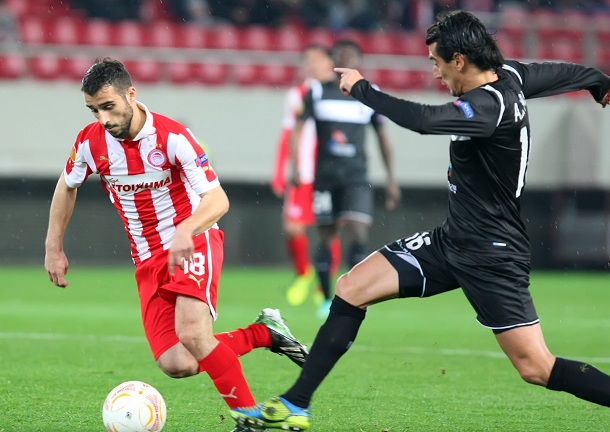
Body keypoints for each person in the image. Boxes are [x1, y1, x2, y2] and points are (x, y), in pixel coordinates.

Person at [230, 10, 610, 431]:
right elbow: (557, 73)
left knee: (536, 367)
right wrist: (596, 80)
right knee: (352, 287)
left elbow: (425, 122)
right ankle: (295, 405)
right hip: (452, 242)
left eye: (436, 62)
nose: (434, 72)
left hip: (492, 255)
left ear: (459, 60)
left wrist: (362, 89)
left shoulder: (489, 106)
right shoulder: (510, 76)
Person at [43, 57, 308, 432]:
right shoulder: (90, 142)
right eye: (93, 110)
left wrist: (186, 229)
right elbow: (66, 185)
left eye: (108, 106)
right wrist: (53, 246)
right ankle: (265, 333)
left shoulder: (174, 137)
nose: (103, 118)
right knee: (177, 362)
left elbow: (217, 200)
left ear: (131, 94)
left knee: (194, 334)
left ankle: (249, 418)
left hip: (194, 241)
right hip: (147, 258)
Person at [288, 39, 401, 318]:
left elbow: (383, 137)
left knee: (358, 232)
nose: (346, 60)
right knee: (326, 236)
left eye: (351, 56)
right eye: (340, 55)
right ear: (333, 61)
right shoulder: (316, 92)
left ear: (360, 61)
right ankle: (327, 299)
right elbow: (297, 130)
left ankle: (354, 296)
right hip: (325, 178)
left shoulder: (370, 94)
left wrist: (391, 178)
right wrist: (295, 166)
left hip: (356, 177)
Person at [271, 44, 342, 308]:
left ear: (329, 62)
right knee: (292, 226)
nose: (312, 64)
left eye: (317, 59)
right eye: (308, 60)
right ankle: (303, 273)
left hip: (329, 172)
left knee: (329, 228)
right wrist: (281, 171)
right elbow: (288, 133)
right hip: (303, 173)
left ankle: (325, 282)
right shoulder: (297, 94)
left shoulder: (338, 91)